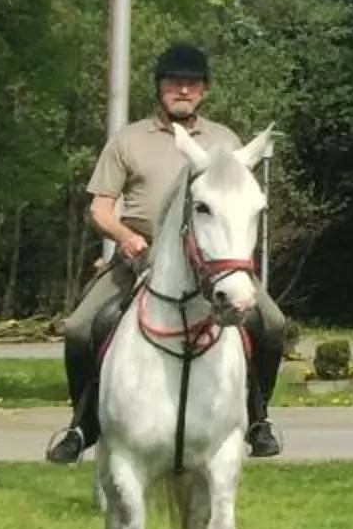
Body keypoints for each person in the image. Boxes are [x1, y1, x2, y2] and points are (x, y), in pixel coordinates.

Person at [45, 44, 292, 464]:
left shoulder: (224, 141)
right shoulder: (128, 140)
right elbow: (100, 208)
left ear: (204, 91)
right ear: (159, 88)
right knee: (81, 328)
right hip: (139, 256)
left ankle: (257, 418)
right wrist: (123, 236)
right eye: (174, 83)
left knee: (270, 323)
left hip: (210, 262)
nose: (183, 90)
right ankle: (83, 423)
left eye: (191, 84)